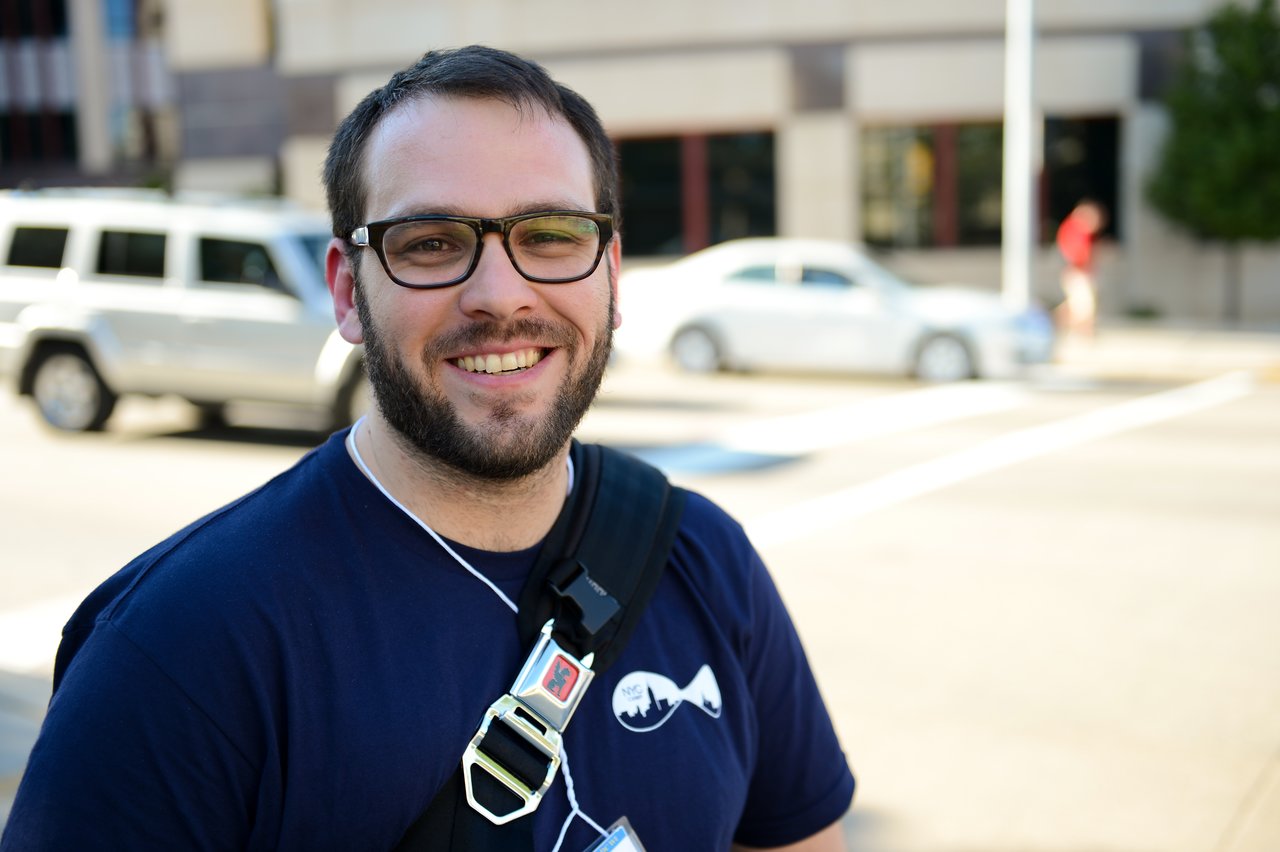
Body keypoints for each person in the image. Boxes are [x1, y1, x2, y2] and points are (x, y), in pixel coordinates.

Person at [1, 46, 854, 851]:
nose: (499, 295)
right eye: (432, 243)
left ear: (612, 276)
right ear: (346, 290)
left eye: (551, 234)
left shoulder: (708, 562)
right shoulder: (178, 646)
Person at [1054, 199, 1107, 337]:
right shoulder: (1074, 231)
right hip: (1076, 273)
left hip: (1082, 273)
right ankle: (1084, 333)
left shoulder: (1086, 234)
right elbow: (1076, 255)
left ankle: (1053, 324)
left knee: (1076, 306)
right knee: (1084, 306)